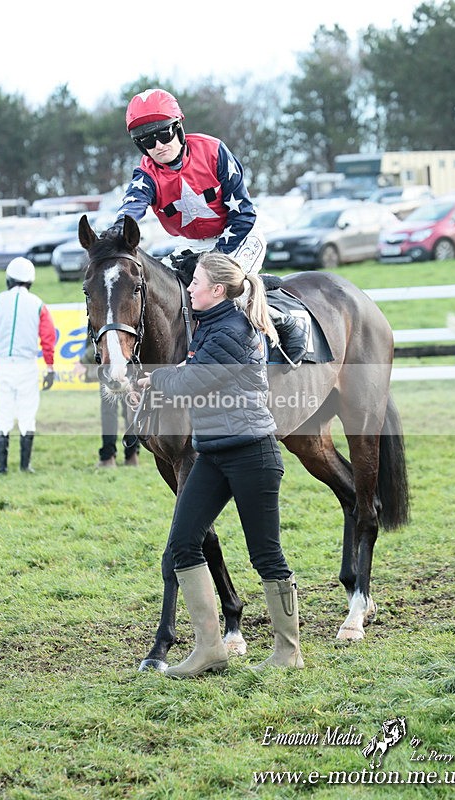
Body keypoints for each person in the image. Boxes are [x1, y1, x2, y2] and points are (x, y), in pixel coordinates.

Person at [137, 251, 304, 678]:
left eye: (195, 282)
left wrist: (153, 379)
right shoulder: (210, 325)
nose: (188, 287)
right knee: (182, 544)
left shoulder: (231, 329)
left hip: (252, 455)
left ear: (217, 291)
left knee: (265, 555)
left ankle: (288, 650)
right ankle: (209, 649)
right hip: (212, 452)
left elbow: (193, 380)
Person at [108, 87, 307, 363]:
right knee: (167, 291)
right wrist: (118, 231)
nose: (157, 146)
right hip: (192, 245)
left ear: (178, 127)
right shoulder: (146, 173)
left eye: (163, 134)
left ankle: (282, 322)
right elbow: (133, 205)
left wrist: (214, 259)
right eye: (146, 141)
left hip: (239, 235)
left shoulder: (214, 151)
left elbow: (244, 214)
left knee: (220, 290)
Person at [0, 257, 56, 474]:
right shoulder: (38, 304)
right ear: (30, 280)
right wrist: (50, 368)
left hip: (3, 365)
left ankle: (2, 467)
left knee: (3, 412)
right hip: (27, 366)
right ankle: (25, 465)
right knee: (27, 413)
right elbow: (48, 339)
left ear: (9, 279)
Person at [74, 336, 140, 468]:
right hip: (130, 363)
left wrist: (84, 361)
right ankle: (132, 455)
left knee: (109, 411)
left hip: (110, 365)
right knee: (130, 408)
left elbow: (100, 340)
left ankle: (108, 457)